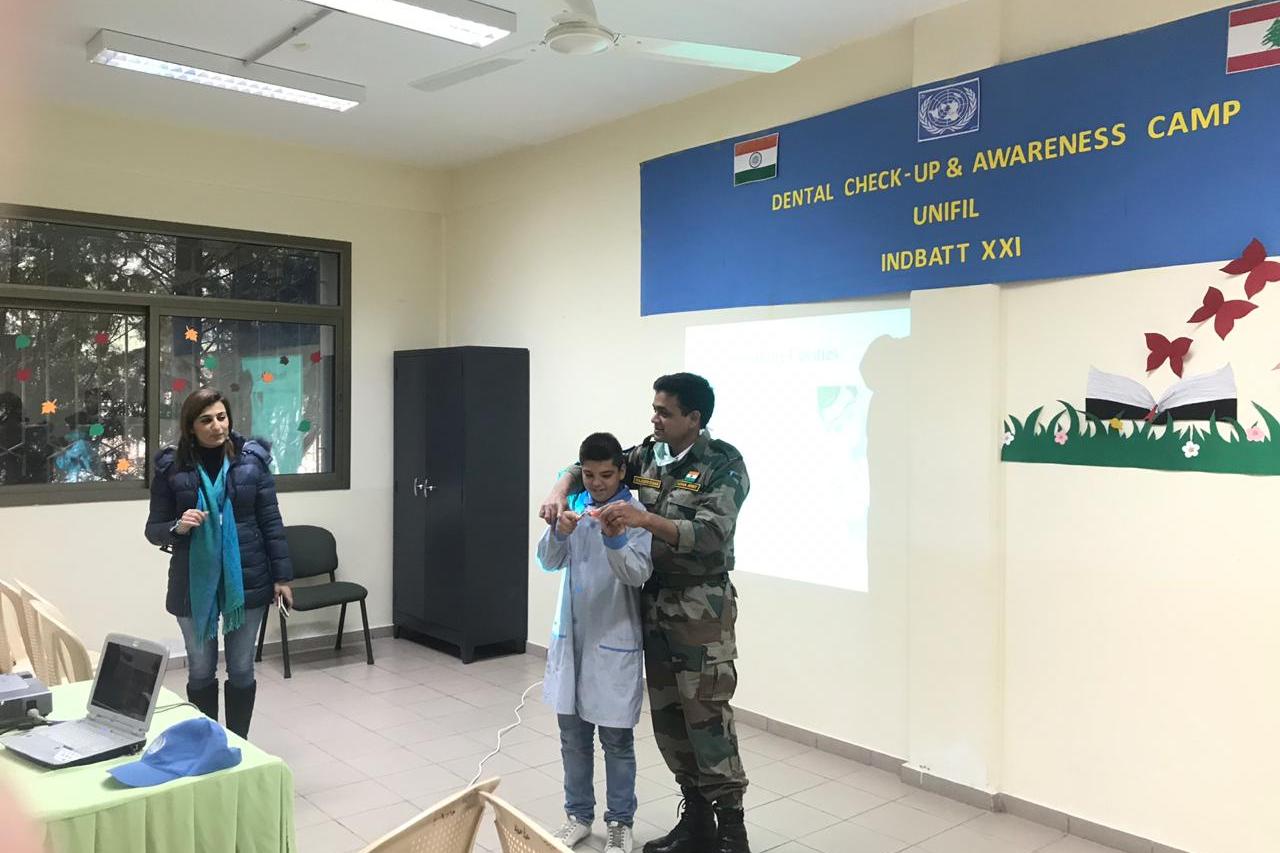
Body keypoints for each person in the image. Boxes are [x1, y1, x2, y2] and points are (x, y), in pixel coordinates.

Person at [540, 373, 752, 853]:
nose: (654, 418)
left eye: (664, 412)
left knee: (706, 719)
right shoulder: (648, 455)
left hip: (699, 611)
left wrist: (645, 519)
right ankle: (696, 821)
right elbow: (591, 464)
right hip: (652, 607)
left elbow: (710, 534)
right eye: (654, 409)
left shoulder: (723, 463)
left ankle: (731, 831)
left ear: (693, 418)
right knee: (670, 721)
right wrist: (559, 488)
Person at [144, 387, 293, 739]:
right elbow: (153, 529)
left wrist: (282, 577)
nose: (217, 426)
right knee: (200, 670)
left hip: (248, 578)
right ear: (190, 427)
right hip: (192, 583)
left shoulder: (251, 462)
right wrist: (177, 527)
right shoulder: (171, 468)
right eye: (206, 420)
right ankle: (207, 743)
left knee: (241, 669)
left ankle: (239, 743)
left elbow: (271, 522)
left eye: (222, 417)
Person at [539, 433, 654, 853]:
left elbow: (637, 574)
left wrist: (615, 538)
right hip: (572, 644)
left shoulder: (636, 515)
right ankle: (578, 816)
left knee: (617, 742)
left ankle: (620, 822)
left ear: (622, 471)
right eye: (589, 475)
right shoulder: (573, 507)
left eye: (606, 475)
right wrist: (558, 532)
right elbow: (548, 561)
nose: (597, 483)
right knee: (572, 738)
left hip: (614, 640)